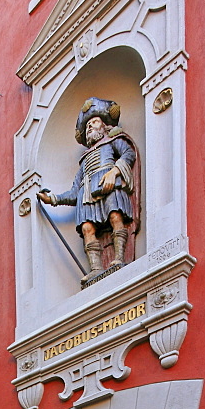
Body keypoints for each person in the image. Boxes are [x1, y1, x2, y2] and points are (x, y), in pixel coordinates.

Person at [37, 97, 137, 285]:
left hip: (109, 185)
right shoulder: (84, 160)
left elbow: (128, 154)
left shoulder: (113, 142)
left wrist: (114, 172)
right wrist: (52, 199)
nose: (90, 127)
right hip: (87, 193)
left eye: (95, 122)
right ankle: (96, 269)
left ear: (105, 126)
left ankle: (119, 258)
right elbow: (75, 192)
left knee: (116, 217)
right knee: (87, 228)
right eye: (88, 125)